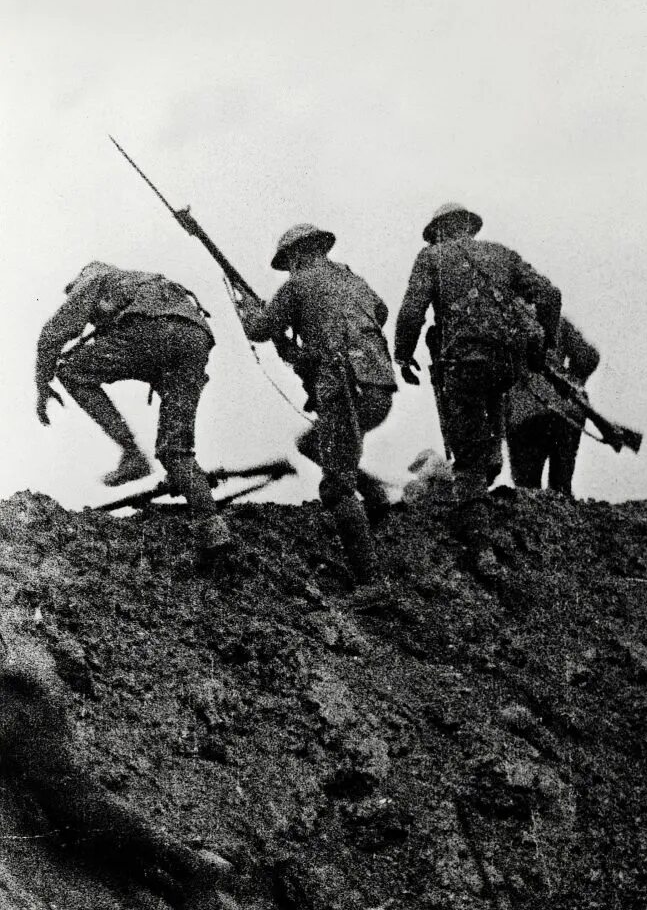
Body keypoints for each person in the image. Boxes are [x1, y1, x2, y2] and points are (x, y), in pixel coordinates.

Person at [0, 633, 231, 907]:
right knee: (79, 828)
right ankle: (180, 888)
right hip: (32, 737)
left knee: (79, 806)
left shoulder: (17, 692)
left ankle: (190, 865)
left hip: (33, 731)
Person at [34, 262, 231, 556]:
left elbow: (55, 332)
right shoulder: (145, 284)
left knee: (73, 372)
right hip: (195, 338)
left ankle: (132, 454)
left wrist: (42, 384)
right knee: (174, 448)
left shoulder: (94, 278)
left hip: (152, 332)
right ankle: (210, 522)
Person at [238, 224, 395, 585]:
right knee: (311, 443)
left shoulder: (296, 285)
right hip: (377, 389)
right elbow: (381, 311)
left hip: (344, 391)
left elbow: (259, 329)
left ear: (295, 256)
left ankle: (371, 583)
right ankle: (374, 494)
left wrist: (247, 308)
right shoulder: (353, 280)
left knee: (336, 487)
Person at [393, 203, 561, 505]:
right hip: (505, 365)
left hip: (463, 364)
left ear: (439, 231)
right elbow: (550, 295)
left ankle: (474, 526)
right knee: (490, 419)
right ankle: (489, 469)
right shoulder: (501, 254)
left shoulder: (431, 256)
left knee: (467, 451)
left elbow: (412, 311)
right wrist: (545, 347)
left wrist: (403, 356)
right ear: (470, 227)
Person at [507, 316, 599, 496]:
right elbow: (589, 357)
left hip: (524, 416)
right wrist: (570, 382)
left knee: (527, 491)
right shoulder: (557, 321)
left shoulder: (507, 320)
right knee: (561, 489)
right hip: (566, 413)